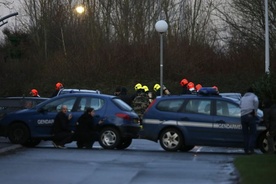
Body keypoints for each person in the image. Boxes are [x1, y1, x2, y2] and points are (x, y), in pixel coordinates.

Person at [240, 87, 259, 154]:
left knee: (245, 134)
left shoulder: (243, 98)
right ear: (252, 92)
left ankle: (246, 149)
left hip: (243, 116)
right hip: (250, 115)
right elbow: (256, 101)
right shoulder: (254, 96)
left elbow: (240, 105)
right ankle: (251, 149)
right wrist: (255, 111)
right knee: (253, 133)